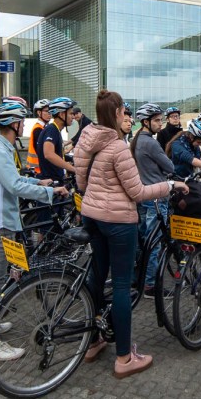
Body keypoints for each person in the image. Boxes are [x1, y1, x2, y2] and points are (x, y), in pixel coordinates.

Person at [73, 89, 188, 378]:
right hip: (117, 221)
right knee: (122, 285)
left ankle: (94, 339)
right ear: (116, 113)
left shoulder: (88, 138)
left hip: (91, 215)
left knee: (98, 276)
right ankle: (124, 358)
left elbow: (81, 181)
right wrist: (170, 186)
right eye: (124, 111)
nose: (127, 116)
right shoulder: (117, 147)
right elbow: (137, 193)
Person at [0, 100, 69, 361]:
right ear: (13, 124)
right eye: (20, 122)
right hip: (0, 222)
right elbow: (15, 187)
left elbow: (14, 179)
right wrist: (49, 191)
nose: (22, 126)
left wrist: (37, 180)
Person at [130, 103, 175, 298]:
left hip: (142, 195)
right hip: (156, 197)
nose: (160, 123)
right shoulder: (150, 142)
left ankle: (138, 279)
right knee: (155, 243)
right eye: (157, 120)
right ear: (146, 122)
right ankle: (150, 286)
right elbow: (170, 166)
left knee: (142, 241)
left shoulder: (136, 139)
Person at [37, 96, 77, 181]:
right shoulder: (52, 130)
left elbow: (57, 154)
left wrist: (71, 158)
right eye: (70, 113)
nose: (73, 117)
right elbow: (49, 154)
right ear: (62, 114)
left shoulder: (55, 129)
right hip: (52, 182)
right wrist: (73, 169)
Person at [25, 99, 50, 174]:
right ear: (39, 113)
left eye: (50, 111)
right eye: (46, 111)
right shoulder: (38, 129)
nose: (49, 113)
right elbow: (42, 152)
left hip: (40, 169)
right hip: (38, 171)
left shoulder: (43, 128)